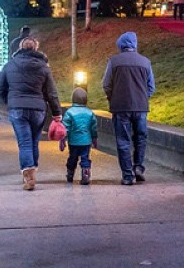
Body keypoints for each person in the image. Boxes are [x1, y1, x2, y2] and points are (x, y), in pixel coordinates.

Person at [0, 37, 61, 191]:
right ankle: (33, 170)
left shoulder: (10, 65)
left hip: (17, 108)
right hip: (38, 109)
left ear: (20, 47)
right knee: (34, 141)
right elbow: (51, 92)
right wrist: (57, 112)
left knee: (24, 143)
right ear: (35, 48)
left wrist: (9, 101)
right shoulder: (44, 67)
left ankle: (28, 174)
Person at [102, 32, 155, 185]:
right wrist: (143, 97)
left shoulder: (114, 61)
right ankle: (138, 167)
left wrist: (113, 98)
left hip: (120, 107)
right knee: (140, 138)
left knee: (123, 141)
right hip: (141, 107)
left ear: (121, 45)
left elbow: (106, 84)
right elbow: (151, 86)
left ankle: (127, 175)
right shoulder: (146, 62)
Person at [61, 88, 98, 185]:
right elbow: (93, 127)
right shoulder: (90, 113)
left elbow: (65, 128)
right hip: (86, 141)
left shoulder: (69, 112)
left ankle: (70, 173)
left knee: (72, 157)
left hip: (73, 141)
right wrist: (94, 138)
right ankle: (85, 174)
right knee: (85, 157)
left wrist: (62, 140)